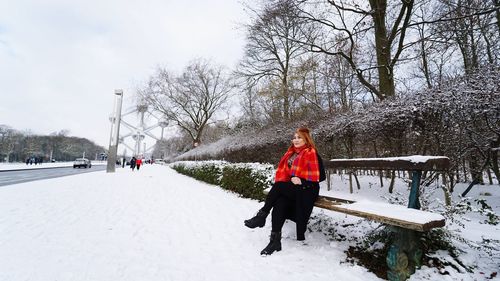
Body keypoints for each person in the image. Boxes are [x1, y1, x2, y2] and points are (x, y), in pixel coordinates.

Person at [244, 127, 321, 255]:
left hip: (307, 189)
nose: (295, 140)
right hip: (293, 188)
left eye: (299, 137)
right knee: (279, 203)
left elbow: (318, 177)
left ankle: (261, 216)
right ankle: (275, 242)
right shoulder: (290, 153)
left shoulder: (311, 153)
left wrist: (302, 181)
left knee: (279, 186)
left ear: (306, 139)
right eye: (294, 137)